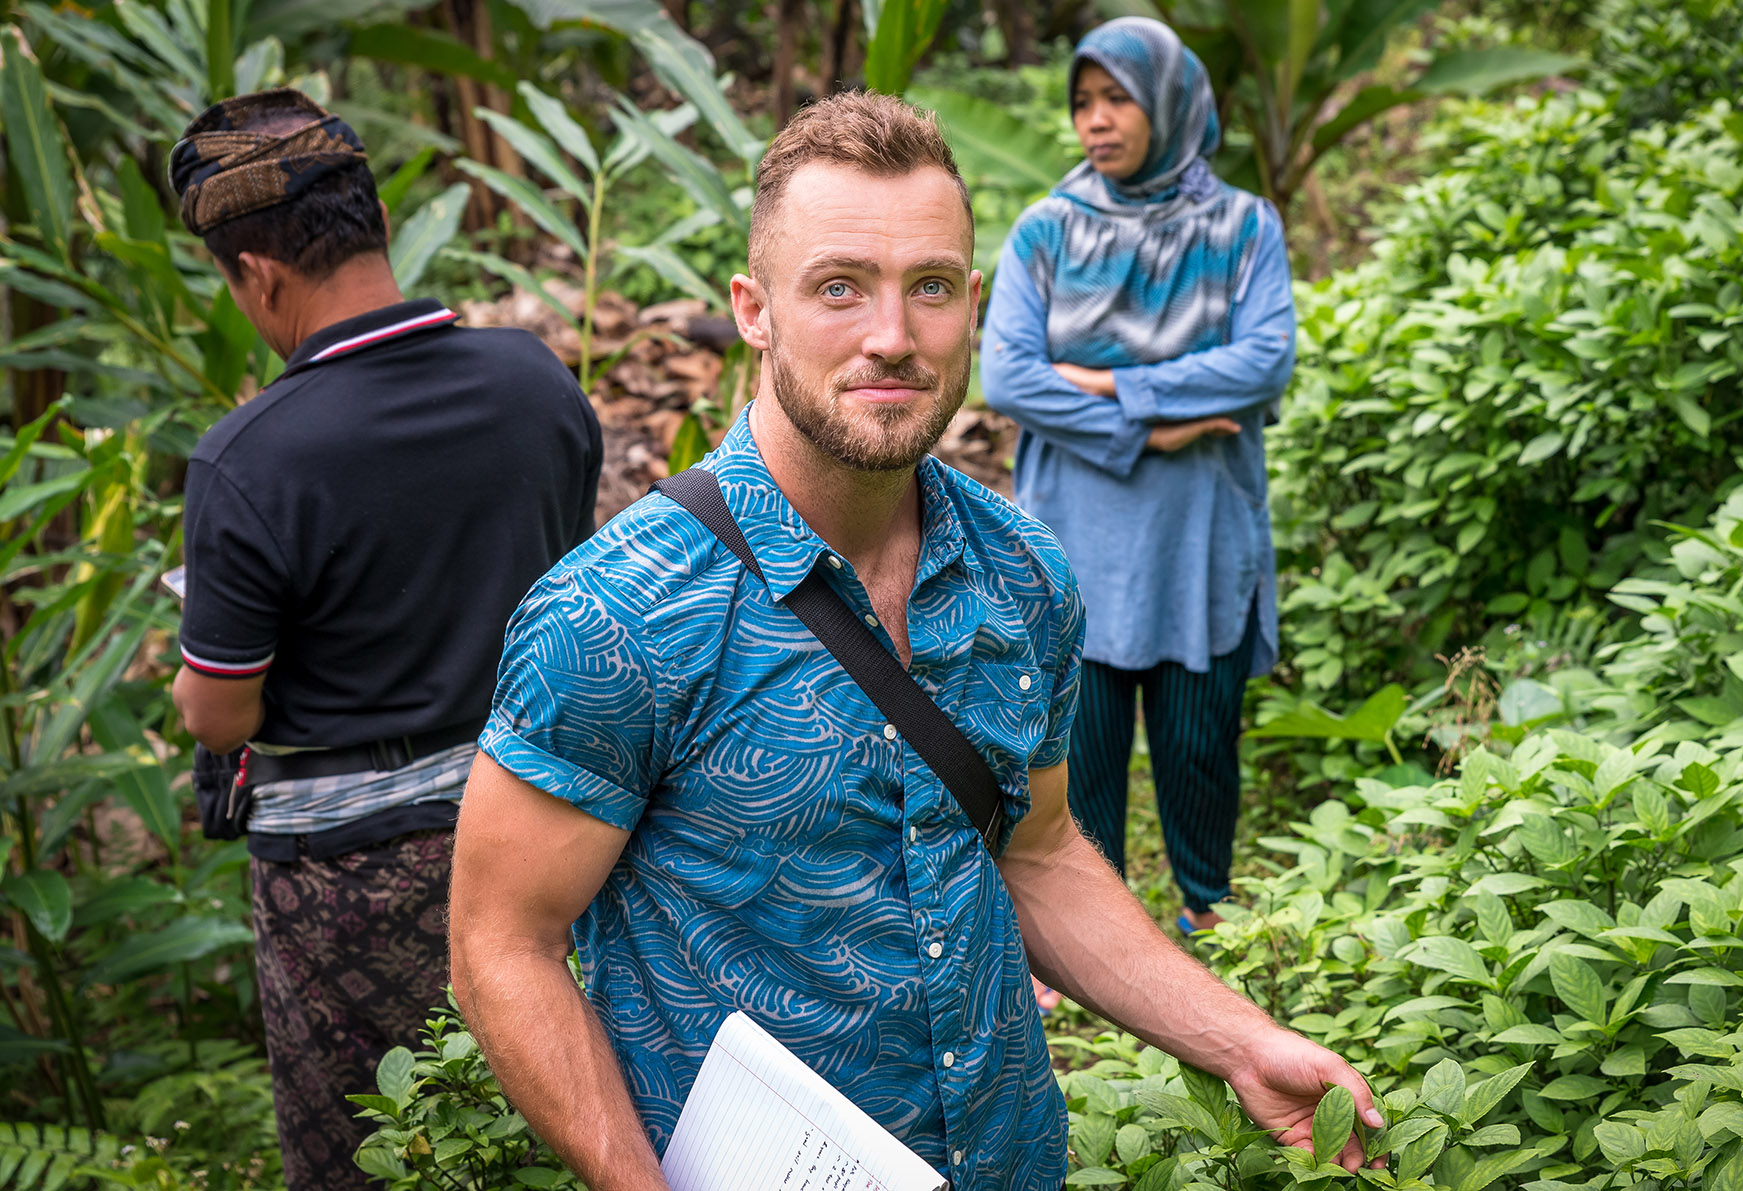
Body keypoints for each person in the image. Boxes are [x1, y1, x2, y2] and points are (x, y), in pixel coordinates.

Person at [448, 91, 1381, 1191]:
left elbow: (1035, 855)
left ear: (973, 303)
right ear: (753, 309)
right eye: (838, 287)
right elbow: (500, 947)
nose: (891, 338)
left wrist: (1241, 1043)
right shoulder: (617, 614)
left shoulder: (1021, 573)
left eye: (929, 288)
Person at [166, 89, 602, 1190]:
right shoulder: (535, 383)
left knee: (368, 1146)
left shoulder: (248, 459)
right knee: (557, 1119)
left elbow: (220, 711)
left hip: (349, 881)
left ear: (256, 274)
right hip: (549, 820)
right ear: (373, 224)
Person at [981, 18, 1293, 948]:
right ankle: (1093, 937)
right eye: (1083, 102)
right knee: (1083, 749)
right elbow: (1009, 377)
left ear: (1167, 103)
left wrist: (1115, 383)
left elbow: (1265, 361)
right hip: (1080, 526)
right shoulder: (1047, 231)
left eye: (1116, 98)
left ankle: (1210, 910)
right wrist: (1158, 432)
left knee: (1201, 740)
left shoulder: (1241, 226)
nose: (1095, 122)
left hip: (1200, 530)